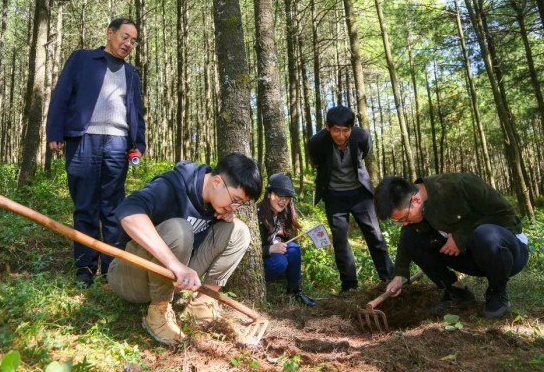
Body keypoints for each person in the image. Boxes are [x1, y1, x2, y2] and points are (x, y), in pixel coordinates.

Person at [106, 153, 262, 345]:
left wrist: (222, 215)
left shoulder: (216, 203)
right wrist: (174, 264)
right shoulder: (171, 186)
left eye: (240, 203)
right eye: (235, 200)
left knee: (239, 231)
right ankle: (158, 312)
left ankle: (201, 304)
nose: (235, 207)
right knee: (180, 229)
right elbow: (128, 213)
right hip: (130, 276)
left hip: (174, 281)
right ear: (217, 182)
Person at [46, 18, 146, 288]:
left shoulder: (131, 73)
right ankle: (85, 269)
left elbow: (136, 111)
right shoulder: (82, 59)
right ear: (110, 33)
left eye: (133, 41)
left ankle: (111, 269)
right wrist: (55, 132)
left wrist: (139, 143)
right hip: (83, 140)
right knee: (85, 206)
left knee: (113, 209)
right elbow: (61, 96)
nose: (128, 44)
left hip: (117, 143)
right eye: (125, 37)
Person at [374, 173, 529, 319]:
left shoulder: (460, 185)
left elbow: (506, 214)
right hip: (471, 258)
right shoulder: (415, 210)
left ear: (416, 200)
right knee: (409, 236)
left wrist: (462, 236)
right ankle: (457, 292)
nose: (405, 223)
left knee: (486, 235)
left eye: (404, 218)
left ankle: (497, 292)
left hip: (506, 254)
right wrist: (399, 275)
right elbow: (408, 239)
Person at [307, 105, 393, 292]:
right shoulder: (317, 143)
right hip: (334, 195)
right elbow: (316, 162)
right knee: (340, 240)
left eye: (346, 130)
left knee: (375, 235)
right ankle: (349, 286)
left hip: (360, 192)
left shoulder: (361, 136)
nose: (341, 135)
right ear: (327, 127)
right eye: (336, 130)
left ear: (352, 128)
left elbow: (365, 152)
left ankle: (389, 278)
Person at [257, 173, 316, 306]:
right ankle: (261, 286)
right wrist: (270, 249)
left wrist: (277, 240)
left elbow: (280, 237)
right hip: (262, 263)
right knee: (280, 262)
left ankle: (294, 291)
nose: (283, 201)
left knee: (294, 248)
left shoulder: (284, 215)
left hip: (272, 257)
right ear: (268, 194)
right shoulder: (257, 215)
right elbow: (248, 254)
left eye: (287, 198)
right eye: (279, 196)